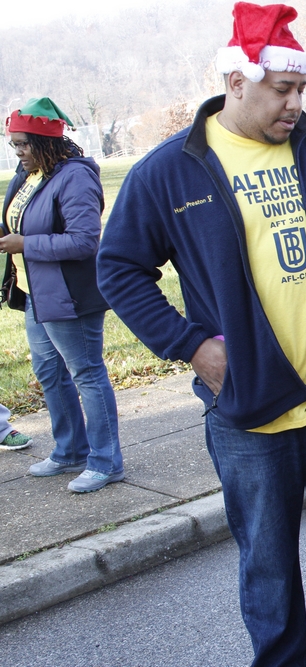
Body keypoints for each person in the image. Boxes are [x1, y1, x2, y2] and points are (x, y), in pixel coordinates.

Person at [95, 3, 306, 664]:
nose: (295, 103)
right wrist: (189, 343)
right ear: (237, 83)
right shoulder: (171, 171)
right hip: (251, 415)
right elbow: (119, 268)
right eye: (283, 90)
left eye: (301, 88)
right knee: (270, 574)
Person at [1, 98, 123, 492]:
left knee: (86, 373)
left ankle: (106, 462)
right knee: (50, 373)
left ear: (46, 142)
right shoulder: (30, 174)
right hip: (38, 294)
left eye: (24, 144)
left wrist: (25, 244)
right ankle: (70, 450)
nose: (18, 152)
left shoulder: (75, 177)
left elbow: (85, 240)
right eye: (13, 144)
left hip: (72, 296)